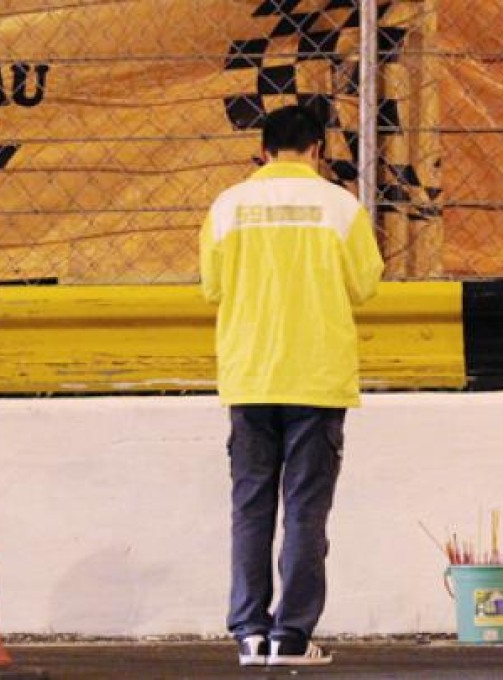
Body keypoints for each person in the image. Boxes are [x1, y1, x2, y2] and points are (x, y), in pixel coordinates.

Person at [199, 105, 384, 667]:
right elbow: (366, 285)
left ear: (263, 150)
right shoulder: (340, 207)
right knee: (305, 510)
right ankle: (293, 636)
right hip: (317, 378)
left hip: (250, 375)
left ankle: (250, 633)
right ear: (317, 150)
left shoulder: (228, 206)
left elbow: (212, 288)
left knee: (250, 507)